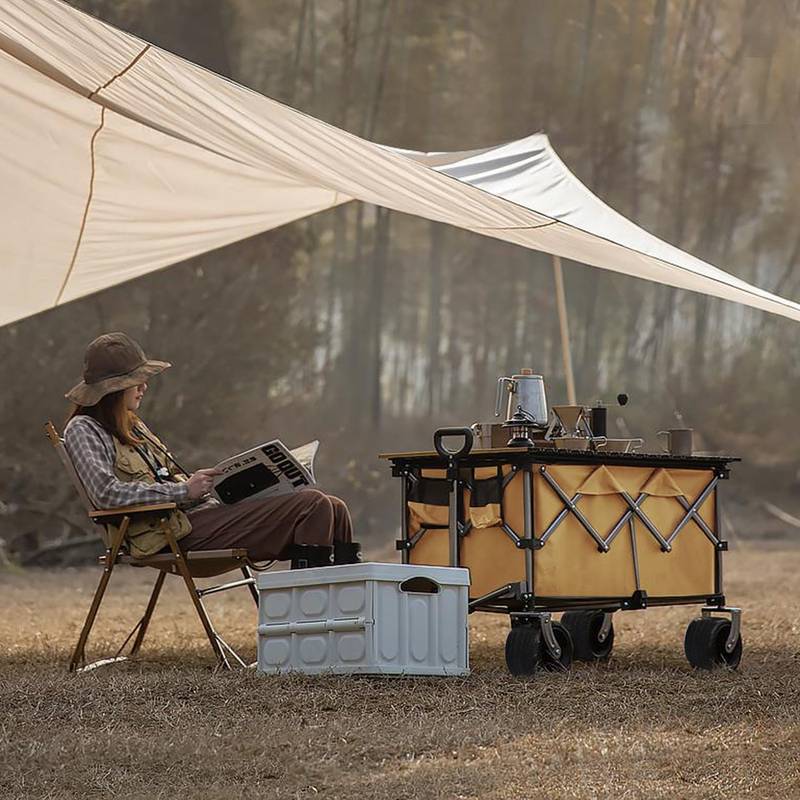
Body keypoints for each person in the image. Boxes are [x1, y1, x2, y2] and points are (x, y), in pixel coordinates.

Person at [63, 332, 357, 567]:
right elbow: (106, 493)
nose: (144, 387)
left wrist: (205, 485)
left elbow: (170, 476)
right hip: (168, 534)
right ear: (114, 388)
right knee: (313, 505)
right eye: (137, 381)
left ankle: (347, 612)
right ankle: (310, 621)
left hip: (194, 517)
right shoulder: (83, 429)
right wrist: (183, 492)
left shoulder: (134, 426)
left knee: (335, 508)